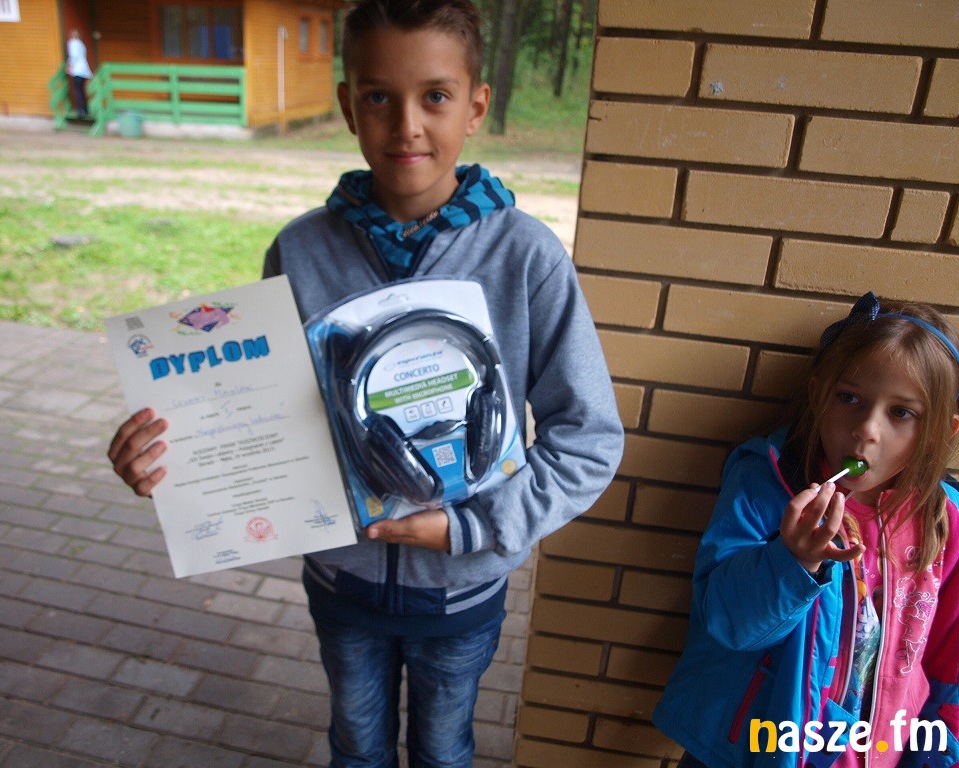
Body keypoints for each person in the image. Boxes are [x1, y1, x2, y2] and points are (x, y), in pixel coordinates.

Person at [107, 1, 623, 765]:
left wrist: (474, 528)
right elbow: (263, 414)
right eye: (380, 96)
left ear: (477, 106)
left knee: (443, 751)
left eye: (435, 96)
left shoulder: (527, 259)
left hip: (461, 587)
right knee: (355, 746)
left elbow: (590, 439)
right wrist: (173, 461)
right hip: (342, 586)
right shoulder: (298, 251)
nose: (407, 125)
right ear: (349, 106)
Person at [652, 292, 959, 768]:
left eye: (901, 413)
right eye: (850, 398)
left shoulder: (944, 520)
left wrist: (941, 753)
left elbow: (948, 661)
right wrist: (792, 562)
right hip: (749, 747)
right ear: (818, 395)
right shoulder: (767, 482)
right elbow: (727, 622)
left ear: (939, 432)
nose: (867, 430)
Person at [66, 29, 93, 119]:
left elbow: (73, 56)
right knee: (81, 89)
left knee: (77, 90)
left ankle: (80, 110)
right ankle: (85, 109)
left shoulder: (73, 43)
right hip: (84, 69)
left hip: (77, 69)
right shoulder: (81, 44)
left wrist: (69, 65)